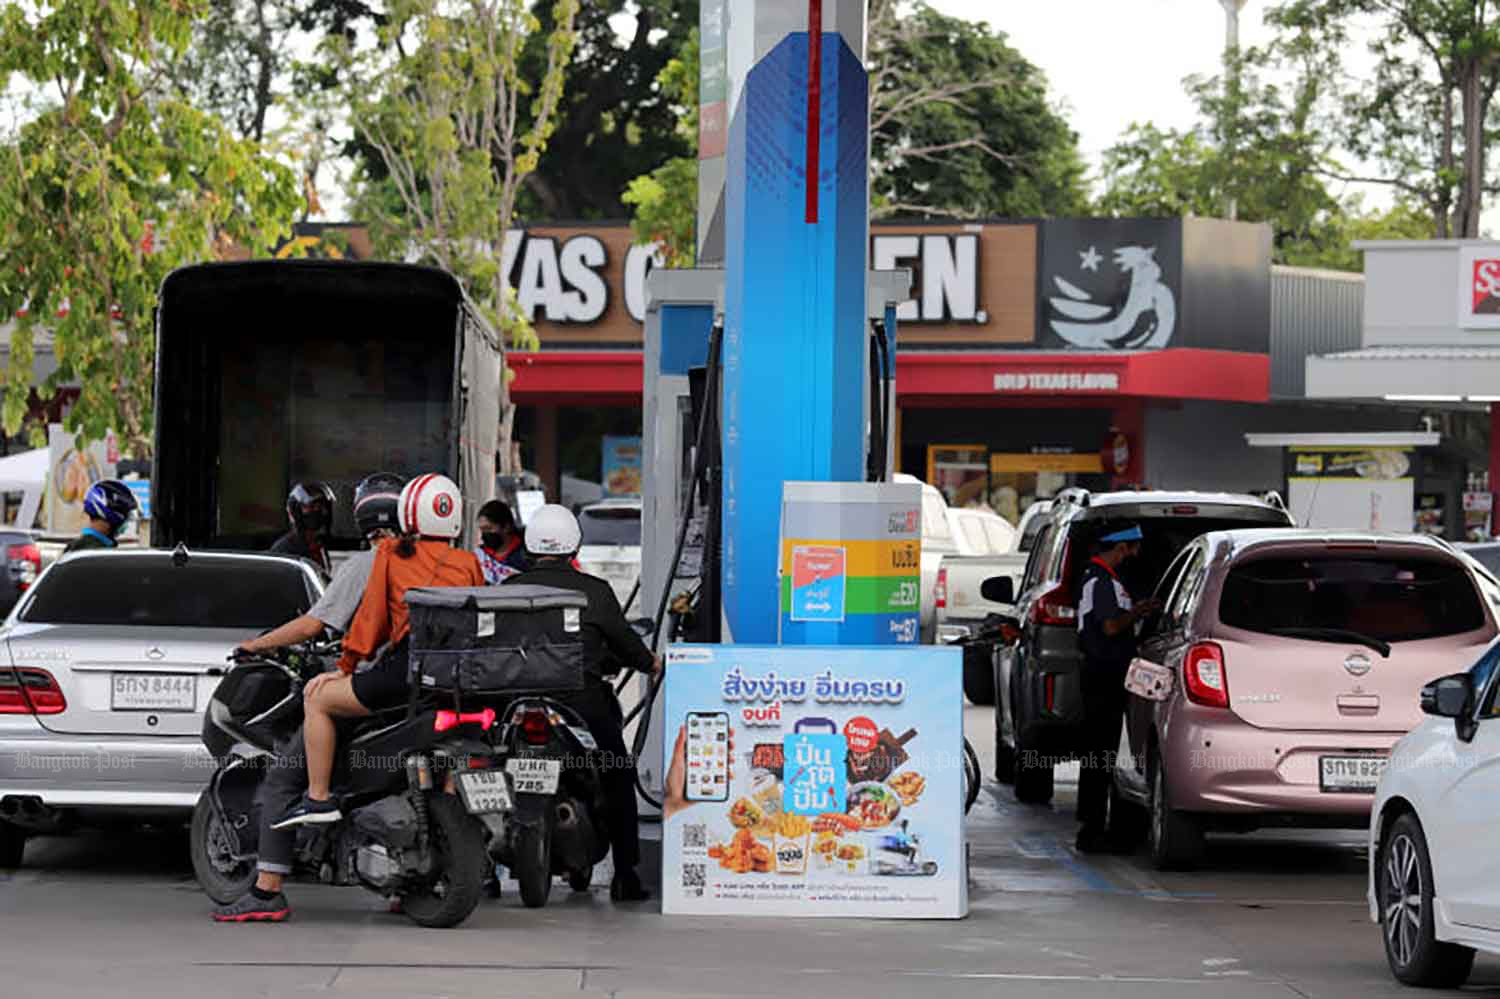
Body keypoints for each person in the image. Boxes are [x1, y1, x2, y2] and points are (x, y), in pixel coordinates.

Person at [210, 474, 406, 923]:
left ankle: (267, 890)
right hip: (424, 690)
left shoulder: (368, 563)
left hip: (371, 687)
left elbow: (315, 625)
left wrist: (258, 645)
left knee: (283, 776)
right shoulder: (442, 559)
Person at [270, 473, 483, 831]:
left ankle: (318, 798)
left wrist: (346, 665)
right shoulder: (468, 563)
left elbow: (371, 621)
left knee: (317, 699)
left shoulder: (388, 555)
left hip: (408, 674)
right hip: (462, 680)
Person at [503, 504, 661, 902]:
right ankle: (626, 874)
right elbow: (628, 646)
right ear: (575, 544)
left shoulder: (505, 591)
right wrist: (651, 663)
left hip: (514, 706)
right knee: (617, 773)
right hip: (582, 708)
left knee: (483, 768)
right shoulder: (595, 591)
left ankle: (483, 873)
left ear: (530, 544)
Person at [1074, 523, 1161, 854]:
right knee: (1099, 753)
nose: (1135, 555)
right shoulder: (1101, 580)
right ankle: (1092, 830)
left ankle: (1095, 826)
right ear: (1121, 548)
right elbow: (1110, 625)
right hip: (1103, 676)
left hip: (1105, 675)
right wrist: (1135, 612)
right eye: (1133, 548)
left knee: (1101, 752)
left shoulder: (1101, 579)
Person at [270, 481, 336, 578]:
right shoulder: (284, 549)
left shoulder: (317, 545)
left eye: (321, 507)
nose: (318, 511)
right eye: (312, 507)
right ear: (296, 511)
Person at [63, 480, 139, 553]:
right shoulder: (94, 552)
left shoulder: (79, 548)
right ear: (113, 517)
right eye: (126, 516)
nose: (126, 523)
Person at [476, 499, 527, 584]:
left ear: (506, 527)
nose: (485, 534)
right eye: (482, 529)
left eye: (489, 528)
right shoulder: (479, 556)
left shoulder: (525, 558)